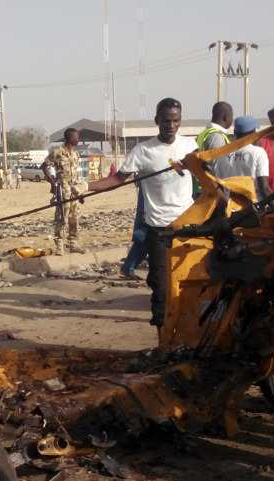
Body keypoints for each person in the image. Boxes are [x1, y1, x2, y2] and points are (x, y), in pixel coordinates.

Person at [87, 98, 198, 335]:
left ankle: (188, 337)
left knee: (191, 283)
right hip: (159, 229)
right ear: (157, 121)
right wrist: (84, 186)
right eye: (166, 120)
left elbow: (209, 176)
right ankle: (163, 340)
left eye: (176, 120)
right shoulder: (143, 151)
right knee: (161, 286)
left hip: (188, 226)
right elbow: (117, 179)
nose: (171, 125)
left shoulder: (191, 147)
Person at [42, 128, 88, 255]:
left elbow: (76, 175)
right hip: (63, 189)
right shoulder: (57, 152)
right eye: (76, 137)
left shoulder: (76, 154)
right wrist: (52, 182)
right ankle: (60, 246)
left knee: (74, 217)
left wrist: (81, 193)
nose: (78, 139)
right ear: (70, 138)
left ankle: (73, 243)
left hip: (74, 189)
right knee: (62, 217)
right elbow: (44, 166)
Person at [214, 115, 272, 203]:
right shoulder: (258, 153)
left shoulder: (222, 154)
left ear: (234, 132)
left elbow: (218, 186)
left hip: (230, 210)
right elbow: (264, 188)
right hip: (254, 210)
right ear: (253, 132)